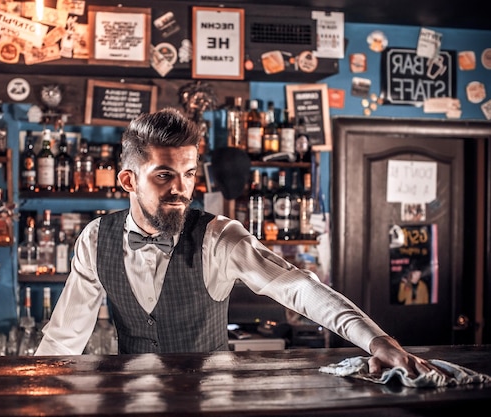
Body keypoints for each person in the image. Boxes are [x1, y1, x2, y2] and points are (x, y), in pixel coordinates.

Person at [36, 108, 443, 378]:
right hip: (129, 403)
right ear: (128, 180)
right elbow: (63, 337)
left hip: (215, 402)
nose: (182, 189)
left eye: (190, 174)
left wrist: (378, 341)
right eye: (164, 175)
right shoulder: (96, 238)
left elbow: (299, 288)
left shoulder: (219, 235)